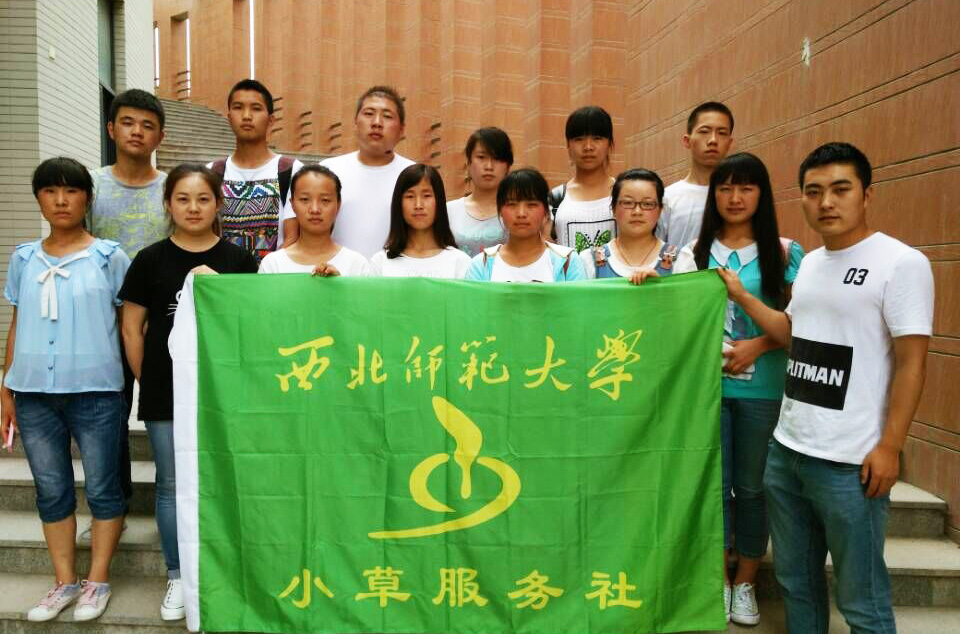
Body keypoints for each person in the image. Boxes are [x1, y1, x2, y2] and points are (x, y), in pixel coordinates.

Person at [717, 143, 933, 633]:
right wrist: (743, 296)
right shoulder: (811, 263)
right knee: (797, 584)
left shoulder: (900, 263)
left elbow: (912, 363)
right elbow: (793, 333)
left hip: (850, 462)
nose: (826, 202)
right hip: (788, 450)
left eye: (840, 189)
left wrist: (890, 446)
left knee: (862, 601)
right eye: (814, 192)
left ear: (867, 194)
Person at [118, 164, 257, 621]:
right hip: (165, 390)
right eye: (183, 198)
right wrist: (148, 377)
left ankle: (224, 570)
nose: (193, 208)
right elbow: (132, 327)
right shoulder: (150, 260)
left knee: (226, 479)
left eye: (203, 199)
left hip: (224, 393)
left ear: (218, 204)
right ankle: (177, 574)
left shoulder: (239, 261)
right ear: (168, 204)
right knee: (171, 484)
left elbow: (251, 325)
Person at [673, 152, 804, 625]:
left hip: (763, 391)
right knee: (713, 487)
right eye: (725, 188)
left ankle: (745, 580)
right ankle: (718, 579)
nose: (734, 197)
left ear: (762, 195)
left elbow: (796, 328)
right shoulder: (694, 252)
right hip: (706, 392)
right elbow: (678, 321)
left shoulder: (785, 252)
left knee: (751, 488)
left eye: (746, 188)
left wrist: (757, 345)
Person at [1, 158, 131, 622]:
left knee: (103, 487)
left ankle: (97, 581)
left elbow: (129, 325)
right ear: (38, 198)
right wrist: (6, 388)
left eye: (72, 191)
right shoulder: (23, 259)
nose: (61, 200)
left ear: (87, 199)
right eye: (50, 191)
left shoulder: (109, 257)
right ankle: (64, 582)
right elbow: (17, 322)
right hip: (33, 392)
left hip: (97, 391)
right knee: (51, 489)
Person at [88, 88, 168, 528]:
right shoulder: (91, 186)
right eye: (128, 122)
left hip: (162, 324)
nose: (137, 132)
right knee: (108, 419)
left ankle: (171, 503)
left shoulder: (172, 188)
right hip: (101, 323)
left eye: (147, 125)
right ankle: (112, 508)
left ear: (160, 136)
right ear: (111, 129)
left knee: (168, 415)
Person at [208, 79, 303, 263]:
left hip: (272, 277)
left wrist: (263, 273)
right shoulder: (212, 173)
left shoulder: (291, 171)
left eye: (256, 108)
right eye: (238, 107)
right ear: (229, 117)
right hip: (223, 277)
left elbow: (292, 239)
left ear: (271, 120)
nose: (246, 116)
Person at [320, 86, 415, 258]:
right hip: (336, 272)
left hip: (395, 273)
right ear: (356, 121)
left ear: (401, 129)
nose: (377, 122)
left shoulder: (414, 176)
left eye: (387, 116)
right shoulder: (328, 172)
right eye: (369, 113)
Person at [466, 168, 586, 282]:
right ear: (500, 211)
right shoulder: (481, 265)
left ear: (545, 211)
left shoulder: (568, 262)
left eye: (531, 204)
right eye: (512, 204)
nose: (521, 213)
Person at [259, 165, 373, 276]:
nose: (314, 209)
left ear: (338, 205)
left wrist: (340, 284)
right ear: (292, 204)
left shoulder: (357, 265)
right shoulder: (273, 265)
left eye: (325, 200)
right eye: (305, 199)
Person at [371, 164, 471, 278]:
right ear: (399, 203)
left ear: (439, 201)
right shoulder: (381, 263)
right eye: (410, 196)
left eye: (427, 196)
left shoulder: (460, 263)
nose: (418, 205)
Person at [579, 168, 678, 284]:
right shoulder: (589, 260)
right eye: (628, 203)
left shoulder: (680, 260)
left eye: (647, 204)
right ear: (613, 209)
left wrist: (660, 288)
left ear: (660, 210)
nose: (637, 211)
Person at [657, 101, 734, 248]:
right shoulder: (668, 198)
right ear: (687, 141)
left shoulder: (739, 198)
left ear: (729, 143)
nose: (713, 140)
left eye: (722, 133)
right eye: (704, 132)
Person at [550, 106, 617, 253]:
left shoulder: (624, 195)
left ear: (609, 144)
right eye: (579, 139)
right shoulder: (555, 198)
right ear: (568, 145)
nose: (588, 147)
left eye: (597, 138)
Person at [446, 127, 512, 256]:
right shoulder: (449, 211)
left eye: (497, 158)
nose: (489, 166)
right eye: (481, 157)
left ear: (508, 166)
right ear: (468, 163)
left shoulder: (518, 211)